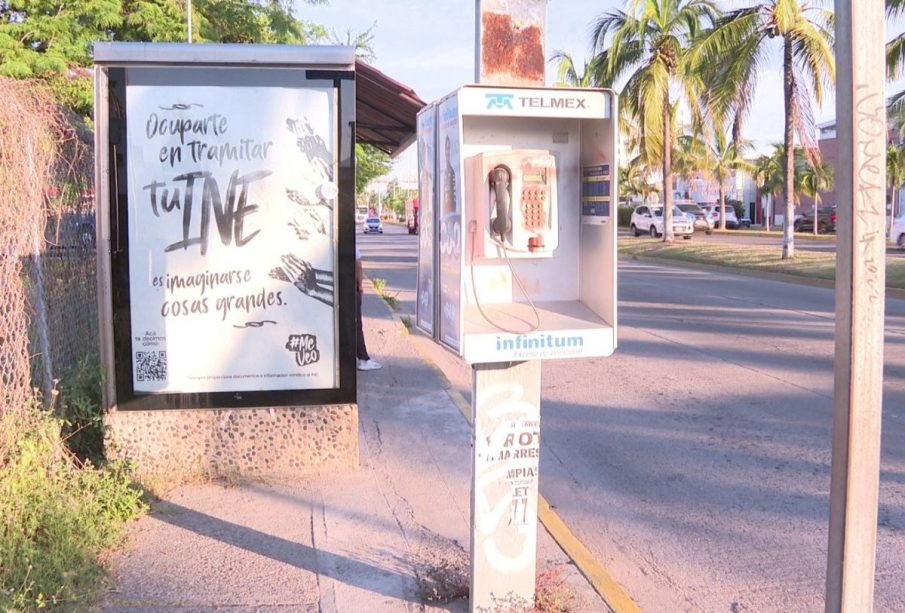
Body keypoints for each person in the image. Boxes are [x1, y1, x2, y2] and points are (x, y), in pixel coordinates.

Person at [356, 245, 382, 371]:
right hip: (351, 287)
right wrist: (360, 285)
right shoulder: (353, 245)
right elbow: (358, 265)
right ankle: (363, 359)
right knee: (356, 324)